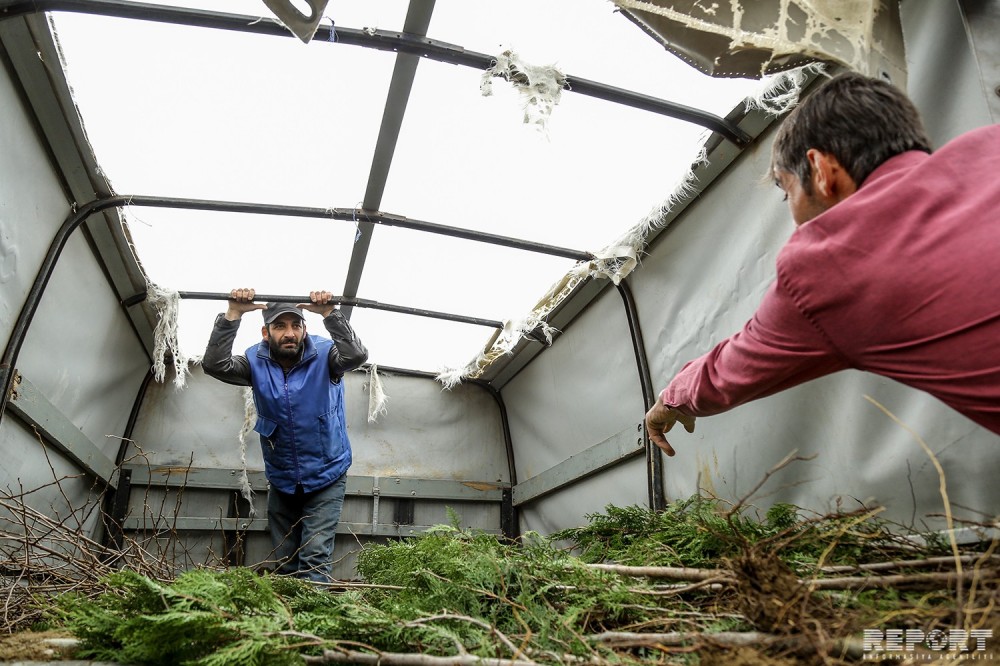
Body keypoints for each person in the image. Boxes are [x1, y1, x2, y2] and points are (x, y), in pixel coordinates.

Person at [645, 71, 1000, 456]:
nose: (794, 214)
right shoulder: (988, 143)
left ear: (821, 170)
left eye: (787, 192)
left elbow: (727, 373)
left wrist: (670, 398)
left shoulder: (828, 264)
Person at [203, 288, 368, 582]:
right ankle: (287, 620)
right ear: (266, 333)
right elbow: (215, 364)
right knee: (285, 558)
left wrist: (331, 314)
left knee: (315, 557)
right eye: (280, 326)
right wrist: (233, 315)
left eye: (296, 325)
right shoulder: (254, 361)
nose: (289, 333)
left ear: (305, 329)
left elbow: (355, 355)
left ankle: (312, 620)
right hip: (282, 476)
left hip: (326, 473)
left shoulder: (326, 355)